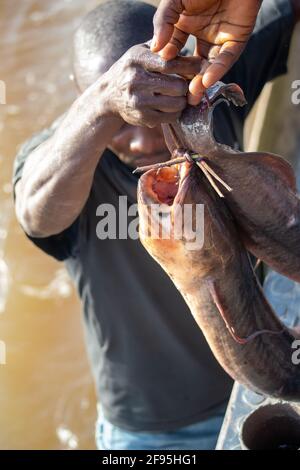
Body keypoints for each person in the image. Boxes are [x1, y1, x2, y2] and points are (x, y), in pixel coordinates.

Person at [13, 0, 299, 450]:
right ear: (81, 93)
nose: (146, 139)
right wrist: (103, 107)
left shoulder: (205, 96)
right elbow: (34, 213)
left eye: (160, 102)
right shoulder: (61, 157)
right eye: (122, 123)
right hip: (151, 433)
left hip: (263, 375)